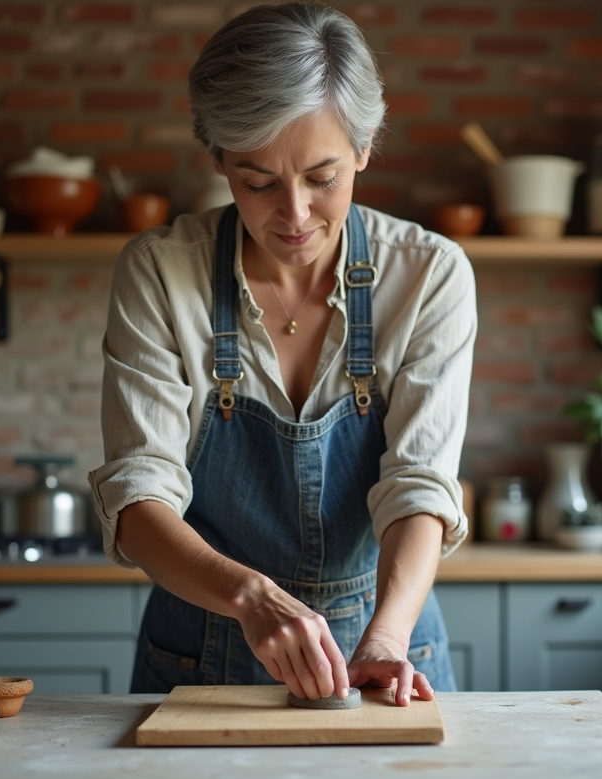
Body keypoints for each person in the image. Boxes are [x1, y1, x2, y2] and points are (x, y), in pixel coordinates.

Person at [88, 2, 477, 706]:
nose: (294, 216)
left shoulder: (428, 274)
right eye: (257, 181)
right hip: (198, 653)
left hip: (386, 649)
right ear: (218, 162)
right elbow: (138, 496)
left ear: (363, 147)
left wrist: (385, 640)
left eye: (322, 177)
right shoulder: (158, 270)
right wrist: (249, 596)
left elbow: (420, 486)